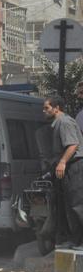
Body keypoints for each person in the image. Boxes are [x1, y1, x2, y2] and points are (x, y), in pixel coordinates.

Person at [43, 95, 83, 250]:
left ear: (56, 108)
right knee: (67, 204)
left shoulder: (65, 122)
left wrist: (62, 162)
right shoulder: (57, 123)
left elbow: (73, 145)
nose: (44, 111)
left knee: (77, 204)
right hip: (66, 168)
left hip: (74, 166)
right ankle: (74, 239)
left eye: (46, 107)